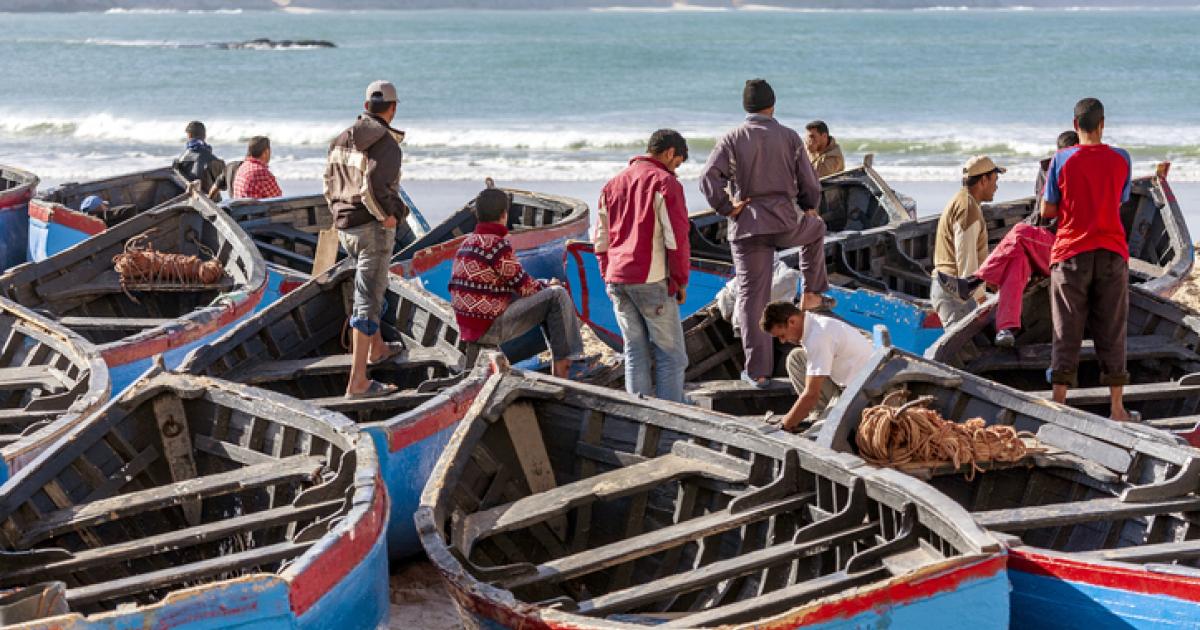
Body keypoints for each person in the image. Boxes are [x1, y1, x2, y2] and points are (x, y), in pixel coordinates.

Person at [700, 78, 833, 389]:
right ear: (773, 105)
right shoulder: (789, 137)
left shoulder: (732, 138)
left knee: (751, 299)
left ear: (746, 107)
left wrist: (726, 207)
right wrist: (809, 206)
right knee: (816, 229)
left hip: (748, 226)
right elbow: (810, 183)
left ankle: (757, 372)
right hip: (785, 222)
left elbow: (708, 178)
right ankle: (813, 291)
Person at [937, 132, 1079, 347]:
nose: (997, 185)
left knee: (1020, 232)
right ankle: (1006, 328)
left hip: (1067, 250)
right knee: (1016, 261)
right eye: (995, 179)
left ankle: (975, 281)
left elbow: (1049, 214)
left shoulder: (1083, 175)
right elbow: (1041, 215)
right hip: (1047, 245)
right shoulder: (1047, 171)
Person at [1041, 98, 1133, 421]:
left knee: (1066, 327)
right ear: (1103, 124)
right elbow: (1120, 200)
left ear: (1075, 124)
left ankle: (1060, 401)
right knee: (1112, 329)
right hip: (1112, 251)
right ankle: (1117, 408)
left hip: (1070, 252)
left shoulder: (1061, 160)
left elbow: (1047, 210)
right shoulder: (1122, 159)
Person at [324, 80, 411, 399]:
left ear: (365, 107)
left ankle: (377, 349)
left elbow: (328, 182)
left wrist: (336, 210)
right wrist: (386, 215)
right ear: (393, 108)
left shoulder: (340, 139)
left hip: (345, 227)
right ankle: (358, 382)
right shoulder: (386, 143)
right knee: (368, 301)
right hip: (371, 229)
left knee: (367, 288)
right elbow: (373, 188)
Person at [595, 129, 691, 402]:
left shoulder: (611, 184)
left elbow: (600, 240)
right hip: (650, 279)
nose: (676, 170)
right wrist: (680, 280)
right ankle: (670, 420)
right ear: (671, 153)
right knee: (671, 355)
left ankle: (639, 417)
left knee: (634, 350)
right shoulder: (665, 183)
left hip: (617, 279)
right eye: (677, 163)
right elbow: (676, 239)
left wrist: (606, 275)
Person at [449, 188, 585, 378]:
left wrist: (543, 284)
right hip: (489, 326)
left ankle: (564, 362)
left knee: (548, 292)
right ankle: (568, 364)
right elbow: (525, 287)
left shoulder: (467, 243)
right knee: (557, 295)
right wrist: (550, 285)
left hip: (469, 325)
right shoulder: (496, 245)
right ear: (504, 215)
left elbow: (515, 282)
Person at [761, 301, 873, 432]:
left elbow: (811, 394)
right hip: (846, 381)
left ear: (792, 321)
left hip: (859, 394)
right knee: (796, 358)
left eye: (782, 335)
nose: (783, 341)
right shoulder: (813, 322)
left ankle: (822, 422)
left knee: (815, 435)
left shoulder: (818, 336)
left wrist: (784, 426)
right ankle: (818, 414)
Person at [929, 155, 1005, 328]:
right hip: (955, 293)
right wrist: (981, 298)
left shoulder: (964, 201)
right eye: (995, 179)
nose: (997, 186)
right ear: (983, 180)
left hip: (952, 289)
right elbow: (966, 260)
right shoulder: (967, 208)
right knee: (962, 353)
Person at [173, 121, 226, 199]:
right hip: (212, 201)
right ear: (205, 136)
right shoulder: (213, 159)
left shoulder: (180, 160)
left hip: (188, 199)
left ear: (189, 135)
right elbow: (224, 187)